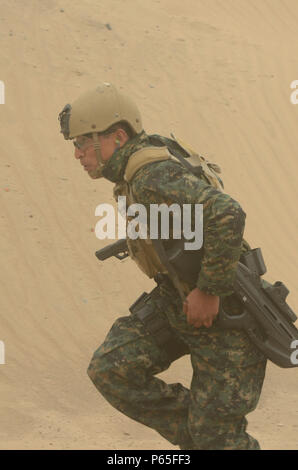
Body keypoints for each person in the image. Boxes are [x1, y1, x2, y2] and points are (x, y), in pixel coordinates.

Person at [58, 82, 267, 450]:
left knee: (216, 439)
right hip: (178, 300)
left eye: (81, 143)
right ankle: (203, 436)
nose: (77, 154)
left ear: (117, 137)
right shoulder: (141, 162)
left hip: (226, 316)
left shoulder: (150, 174)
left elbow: (227, 214)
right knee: (112, 368)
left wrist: (209, 291)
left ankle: (211, 437)